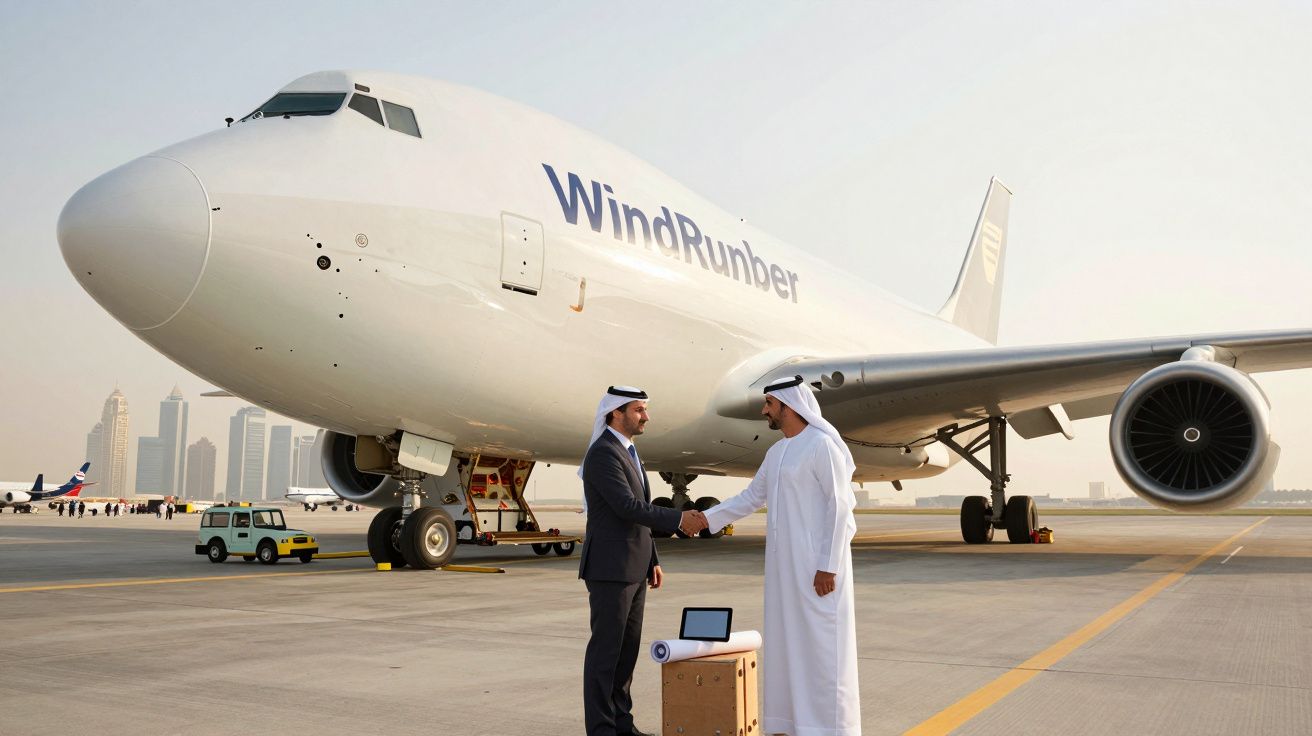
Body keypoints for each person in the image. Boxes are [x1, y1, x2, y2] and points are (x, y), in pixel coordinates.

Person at [699, 375, 861, 736]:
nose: (764, 411)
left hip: (819, 570)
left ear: (788, 405)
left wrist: (827, 566)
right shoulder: (777, 452)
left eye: (769, 404)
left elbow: (840, 508)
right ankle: (792, 725)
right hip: (784, 571)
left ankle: (832, 728)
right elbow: (750, 498)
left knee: (823, 651)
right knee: (788, 649)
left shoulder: (822, 446)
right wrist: (704, 520)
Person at [578, 386, 703, 736]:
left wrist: (653, 558)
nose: (645, 416)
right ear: (616, 413)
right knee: (605, 655)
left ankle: (622, 724)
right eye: (639, 410)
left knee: (626, 655)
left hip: (634, 566)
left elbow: (638, 516)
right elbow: (627, 507)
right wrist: (679, 519)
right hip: (610, 569)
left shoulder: (629, 452)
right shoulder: (603, 453)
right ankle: (601, 729)